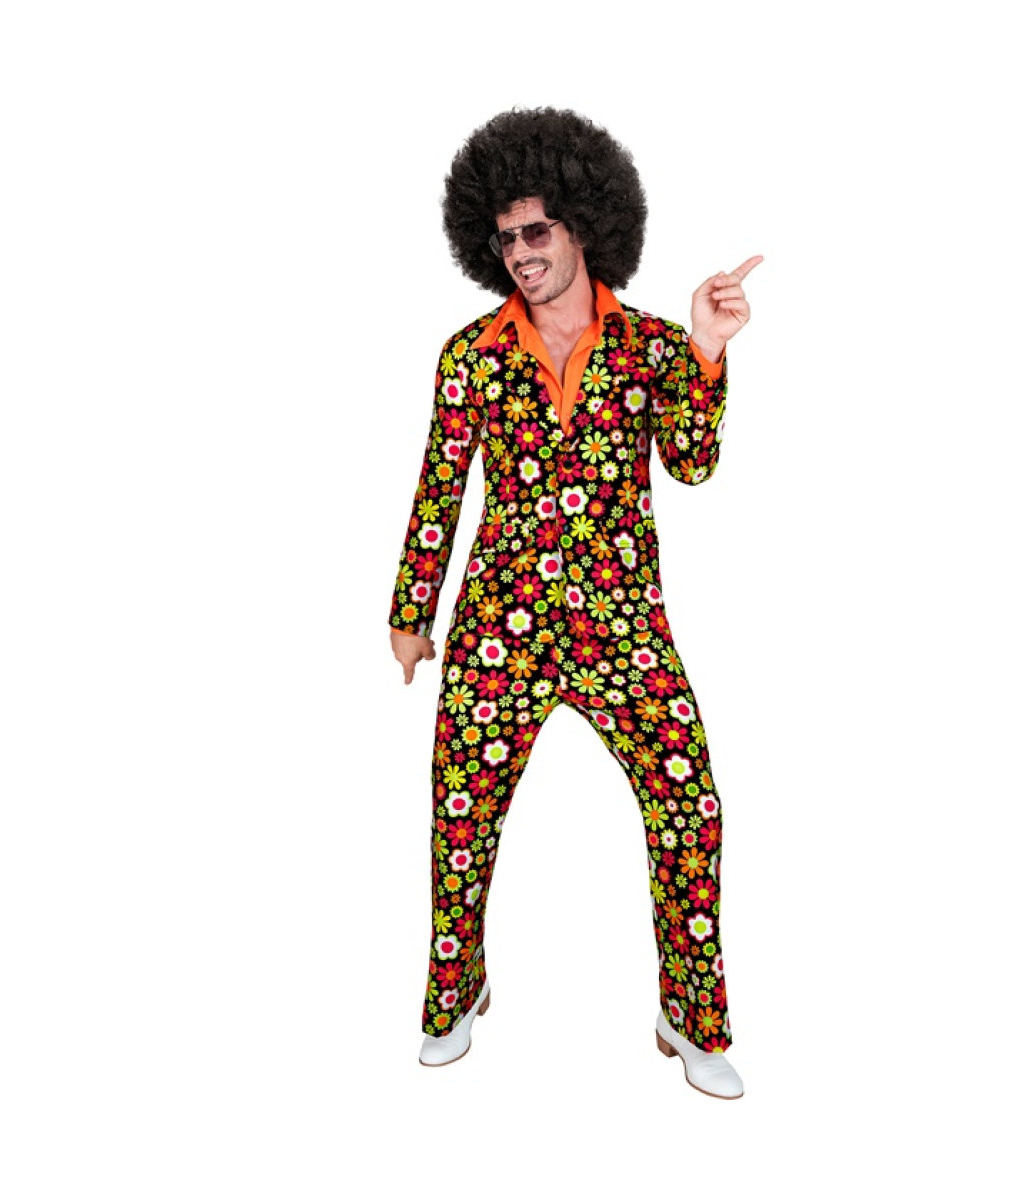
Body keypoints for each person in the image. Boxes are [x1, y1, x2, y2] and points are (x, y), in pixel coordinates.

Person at [387, 107, 760, 1099]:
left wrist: (708, 349)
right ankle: (455, 991)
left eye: (536, 230)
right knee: (459, 818)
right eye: (504, 237)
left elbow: (692, 465)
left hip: (621, 628)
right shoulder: (470, 356)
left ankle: (691, 1015)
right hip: (496, 629)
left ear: (584, 223)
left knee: (689, 806)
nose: (520, 252)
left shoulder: (650, 348)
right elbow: (438, 487)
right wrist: (412, 612)